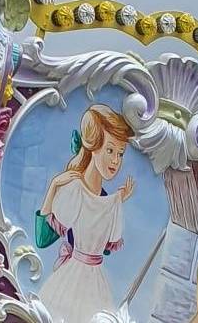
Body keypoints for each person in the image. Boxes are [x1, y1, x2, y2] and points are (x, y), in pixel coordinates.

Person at [34, 104, 137, 322]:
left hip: (96, 280)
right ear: (92, 147)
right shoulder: (73, 188)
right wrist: (53, 188)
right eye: (110, 151)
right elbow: (42, 240)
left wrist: (115, 203)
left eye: (120, 154)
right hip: (72, 277)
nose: (116, 161)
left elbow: (105, 248)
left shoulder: (108, 198)